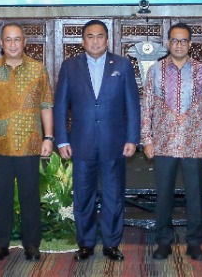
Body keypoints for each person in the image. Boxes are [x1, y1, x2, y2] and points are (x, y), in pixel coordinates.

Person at [55, 20, 140, 262]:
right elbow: (60, 105)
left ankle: (112, 243)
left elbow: (132, 105)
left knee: (114, 196)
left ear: (107, 39)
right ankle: (86, 243)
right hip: (81, 142)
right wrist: (62, 140)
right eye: (90, 36)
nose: (95, 41)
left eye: (100, 36)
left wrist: (133, 138)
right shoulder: (70, 66)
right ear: (83, 41)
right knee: (83, 196)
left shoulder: (122, 65)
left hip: (114, 142)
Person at [0, 23, 55, 262]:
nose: (12, 44)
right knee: (1, 198)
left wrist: (49, 137)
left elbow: (46, 105)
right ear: (0, 43)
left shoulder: (38, 69)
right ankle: (1, 244)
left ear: (25, 42)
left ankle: (31, 244)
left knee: (30, 197)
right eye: (8, 40)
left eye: (17, 39)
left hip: (30, 144)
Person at [141, 23, 202, 262]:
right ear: (167, 43)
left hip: (194, 143)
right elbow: (147, 106)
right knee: (163, 194)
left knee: (195, 194)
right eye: (174, 40)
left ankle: (194, 242)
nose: (179, 45)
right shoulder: (155, 70)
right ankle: (163, 240)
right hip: (163, 142)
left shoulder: (201, 70)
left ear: (190, 44)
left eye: (184, 41)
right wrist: (147, 139)